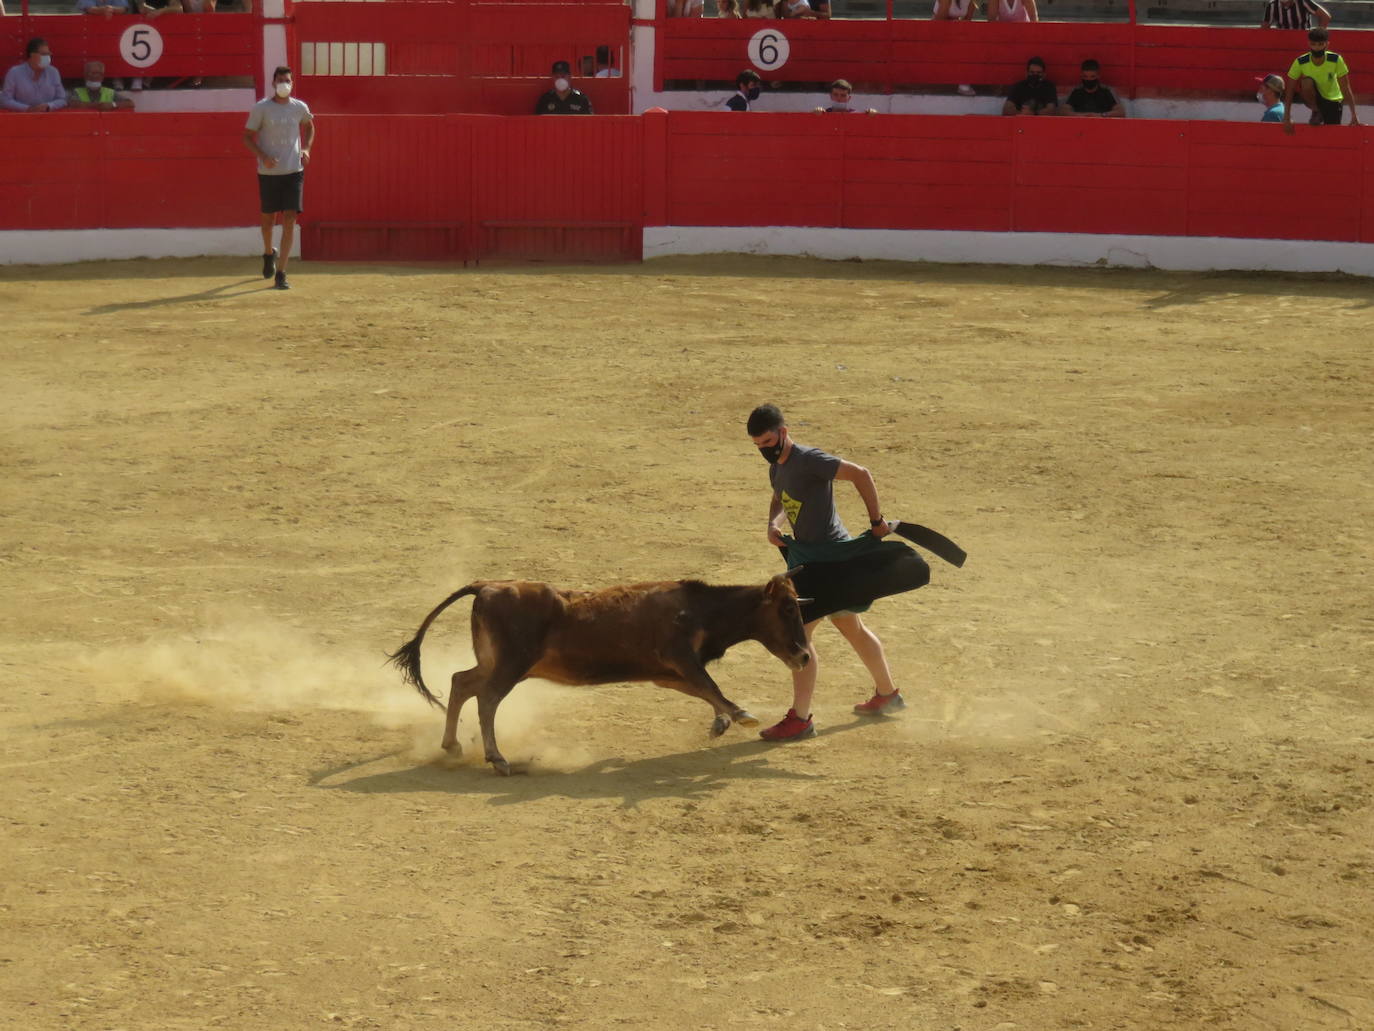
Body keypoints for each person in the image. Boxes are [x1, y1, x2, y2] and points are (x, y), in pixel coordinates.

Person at [746, 404, 906, 742]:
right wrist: (773, 524)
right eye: (758, 445)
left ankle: (800, 720)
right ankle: (888, 695)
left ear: (784, 433)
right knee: (852, 627)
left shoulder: (810, 460)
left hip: (829, 562)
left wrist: (877, 521)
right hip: (811, 559)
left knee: (798, 635)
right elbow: (780, 498)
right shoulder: (778, 467)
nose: (765, 449)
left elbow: (861, 474)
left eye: (768, 441)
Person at [243, 66, 314, 291]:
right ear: (273, 83)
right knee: (268, 220)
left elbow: (310, 126)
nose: (284, 84)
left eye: (287, 80)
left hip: (294, 170)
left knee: (290, 219)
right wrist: (263, 157)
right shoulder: (261, 108)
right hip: (269, 173)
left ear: (292, 83)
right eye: (280, 80)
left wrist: (306, 148)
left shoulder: (299, 107)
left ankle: (281, 273)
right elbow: (247, 137)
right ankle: (268, 252)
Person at [1283, 27, 1360, 130]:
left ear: (1327, 44)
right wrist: (1287, 116)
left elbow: (1345, 87)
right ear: (1309, 44)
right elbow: (1290, 89)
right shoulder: (1301, 61)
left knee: (1332, 133)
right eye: (1313, 44)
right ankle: (1316, 111)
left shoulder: (1336, 59)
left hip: (1333, 101)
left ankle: (1319, 113)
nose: (1317, 48)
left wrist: (1354, 114)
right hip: (1313, 99)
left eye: (1320, 44)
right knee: (1306, 82)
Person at [2, 38, 67, 113]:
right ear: (32, 55)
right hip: (21, 118)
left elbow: (63, 99)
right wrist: (27, 109)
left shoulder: (53, 72)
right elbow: (5, 100)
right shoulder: (14, 73)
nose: (47, 57)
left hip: (48, 118)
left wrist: (49, 106)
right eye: (43, 54)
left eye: (48, 54)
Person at [933, 0, 979, 96]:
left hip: (956, 33)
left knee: (969, 42)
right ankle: (963, 82)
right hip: (938, 34)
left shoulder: (971, 2)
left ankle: (964, 81)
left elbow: (967, 24)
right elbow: (937, 25)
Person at [68, 60, 134, 110]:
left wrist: (113, 105)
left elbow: (130, 103)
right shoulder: (77, 91)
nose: (95, 76)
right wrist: (99, 106)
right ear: (85, 76)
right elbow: (73, 104)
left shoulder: (110, 92)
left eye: (98, 73)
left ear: (103, 77)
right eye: (92, 73)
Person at [1261, 0, 1330, 30]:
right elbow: (1265, 27)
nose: (1285, 5)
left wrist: (1318, 36)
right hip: (1282, 37)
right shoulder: (1273, 5)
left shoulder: (1303, 2)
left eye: (1288, 3)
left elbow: (1325, 16)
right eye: (1283, 4)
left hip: (1303, 36)